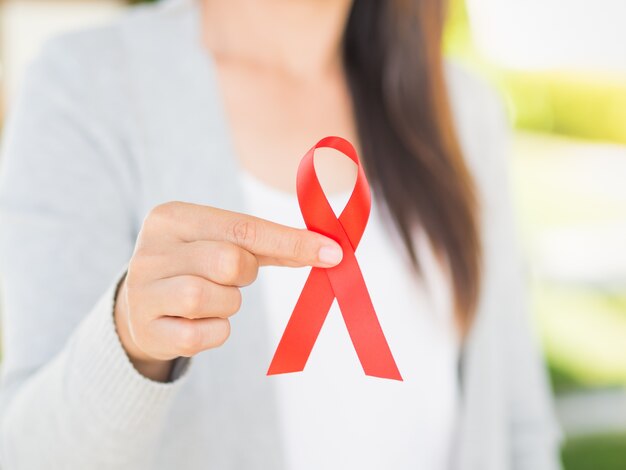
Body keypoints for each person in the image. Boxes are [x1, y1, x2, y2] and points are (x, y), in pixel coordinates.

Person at [0, 0, 562, 468]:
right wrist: (130, 343)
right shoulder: (86, 88)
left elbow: (518, 424)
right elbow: (32, 455)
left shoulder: (464, 110)